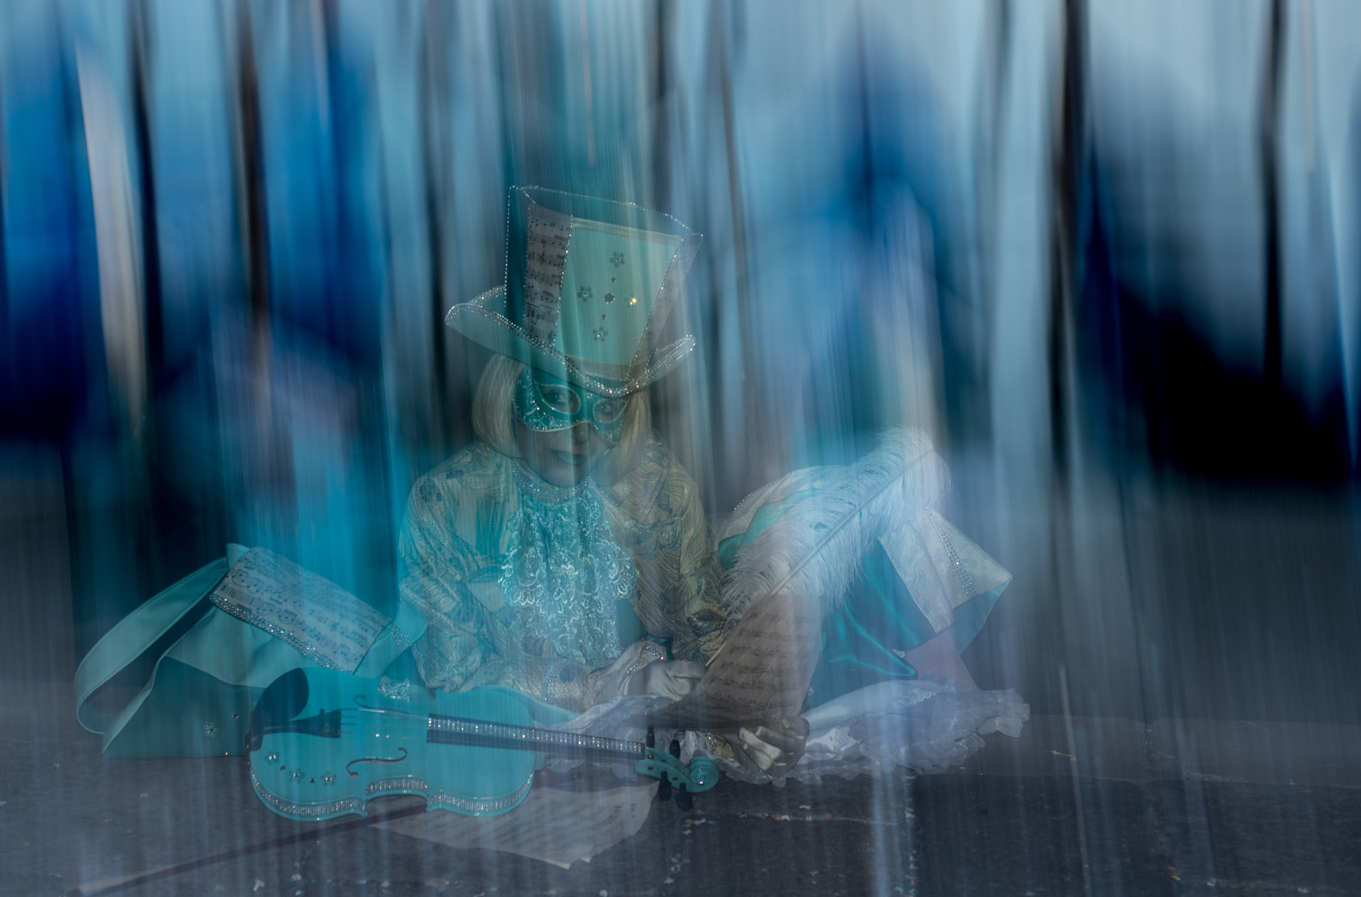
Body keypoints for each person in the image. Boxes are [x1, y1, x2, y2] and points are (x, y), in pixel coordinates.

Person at [397, 187, 1014, 781]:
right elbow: (453, 678)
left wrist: (746, 711)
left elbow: (703, 623)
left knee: (863, 523)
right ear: (511, 386)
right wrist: (610, 686)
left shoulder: (655, 486)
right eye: (558, 398)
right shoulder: (447, 505)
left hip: (657, 721)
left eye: (606, 408)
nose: (582, 434)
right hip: (521, 740)